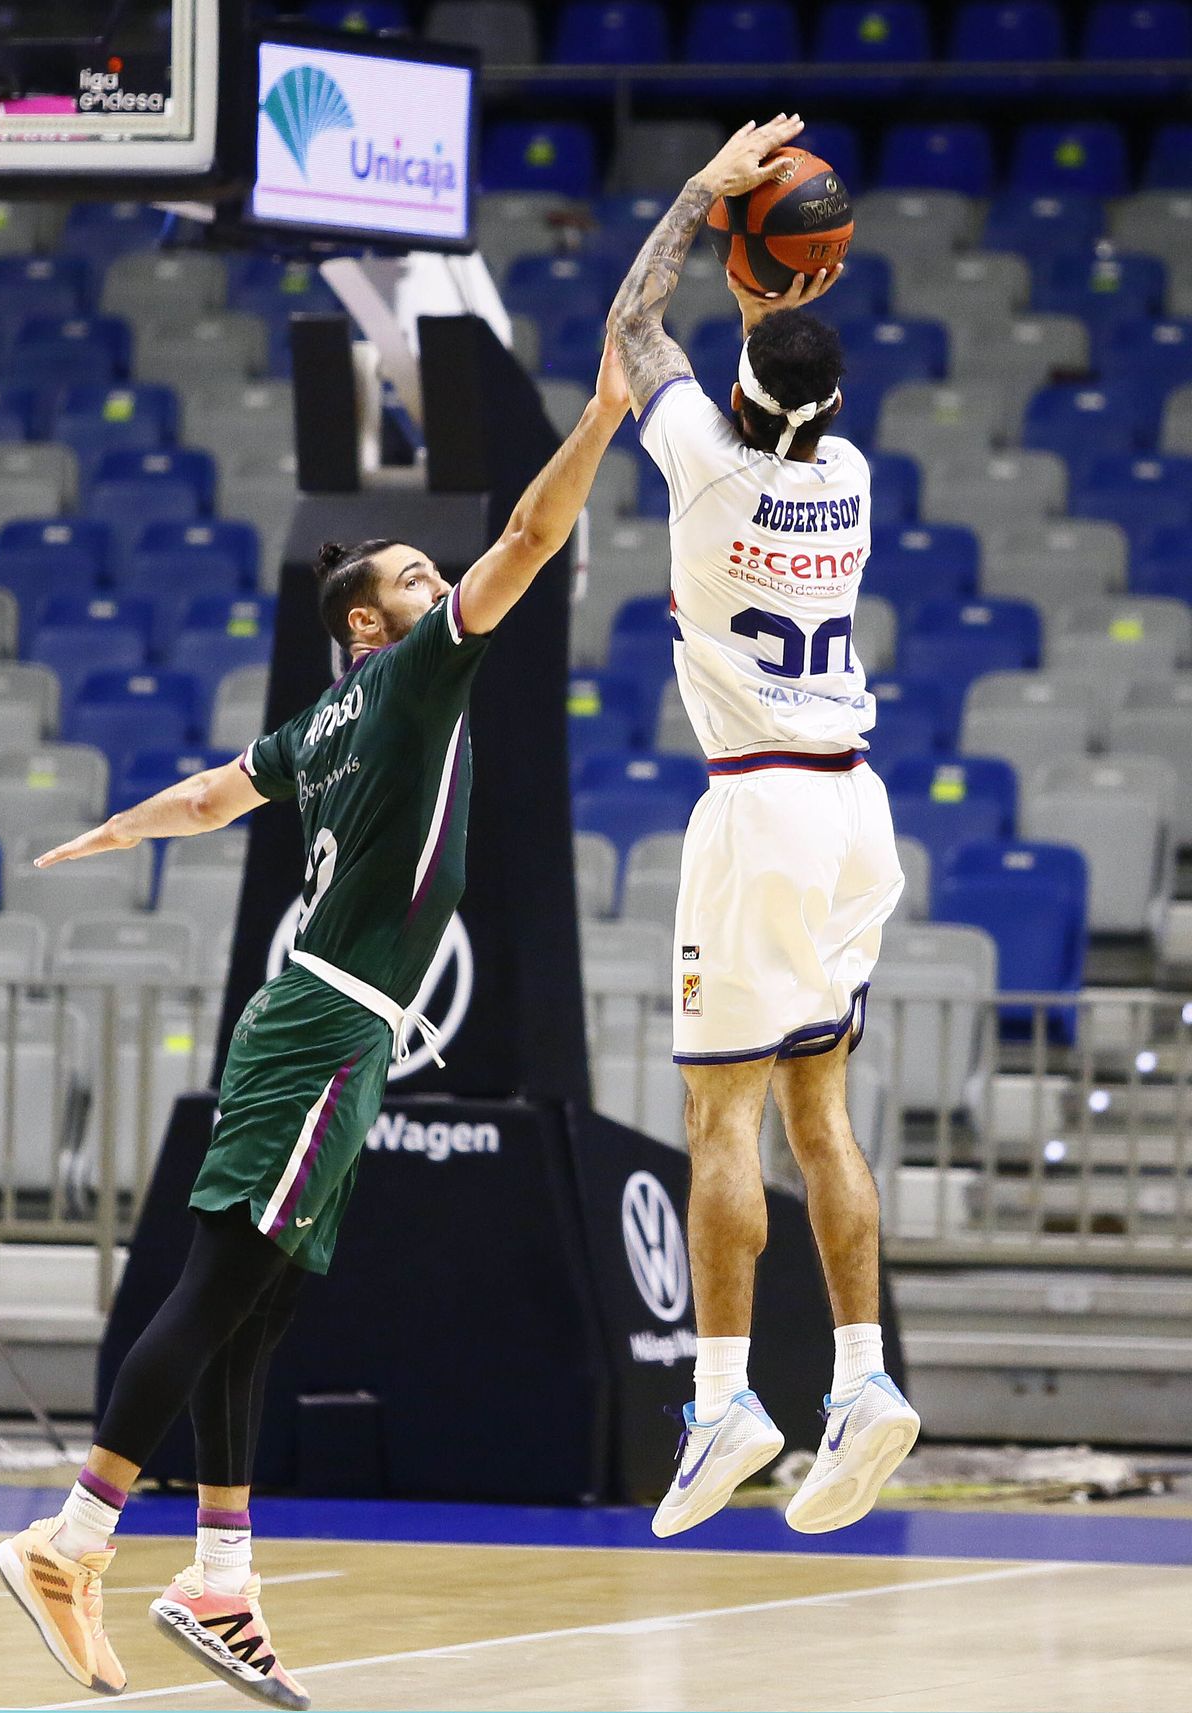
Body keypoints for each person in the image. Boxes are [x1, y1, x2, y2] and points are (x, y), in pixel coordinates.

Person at [0, 335, 632, 1705]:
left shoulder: (317, 724)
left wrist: (105, 835)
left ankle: (223, 1580)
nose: (439, 582)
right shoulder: (408, 683)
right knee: (222, 1286)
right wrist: (598, 421)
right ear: (368, 627)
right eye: (413, 576)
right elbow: (531, 531)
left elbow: (208, 800)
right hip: (331, 1022)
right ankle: (75, 1537)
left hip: (322, 1020)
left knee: (265, 1305)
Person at [606, 115, 920, 1539]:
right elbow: (777, 379)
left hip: (758, 808)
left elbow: (631, 330)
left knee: (715, 1113)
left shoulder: (707, 468)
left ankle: (724, 1395)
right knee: (820, 1112)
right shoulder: (845, 481)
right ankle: (860, 1376)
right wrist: (773, 282)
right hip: (856, 805)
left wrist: (705, 198)